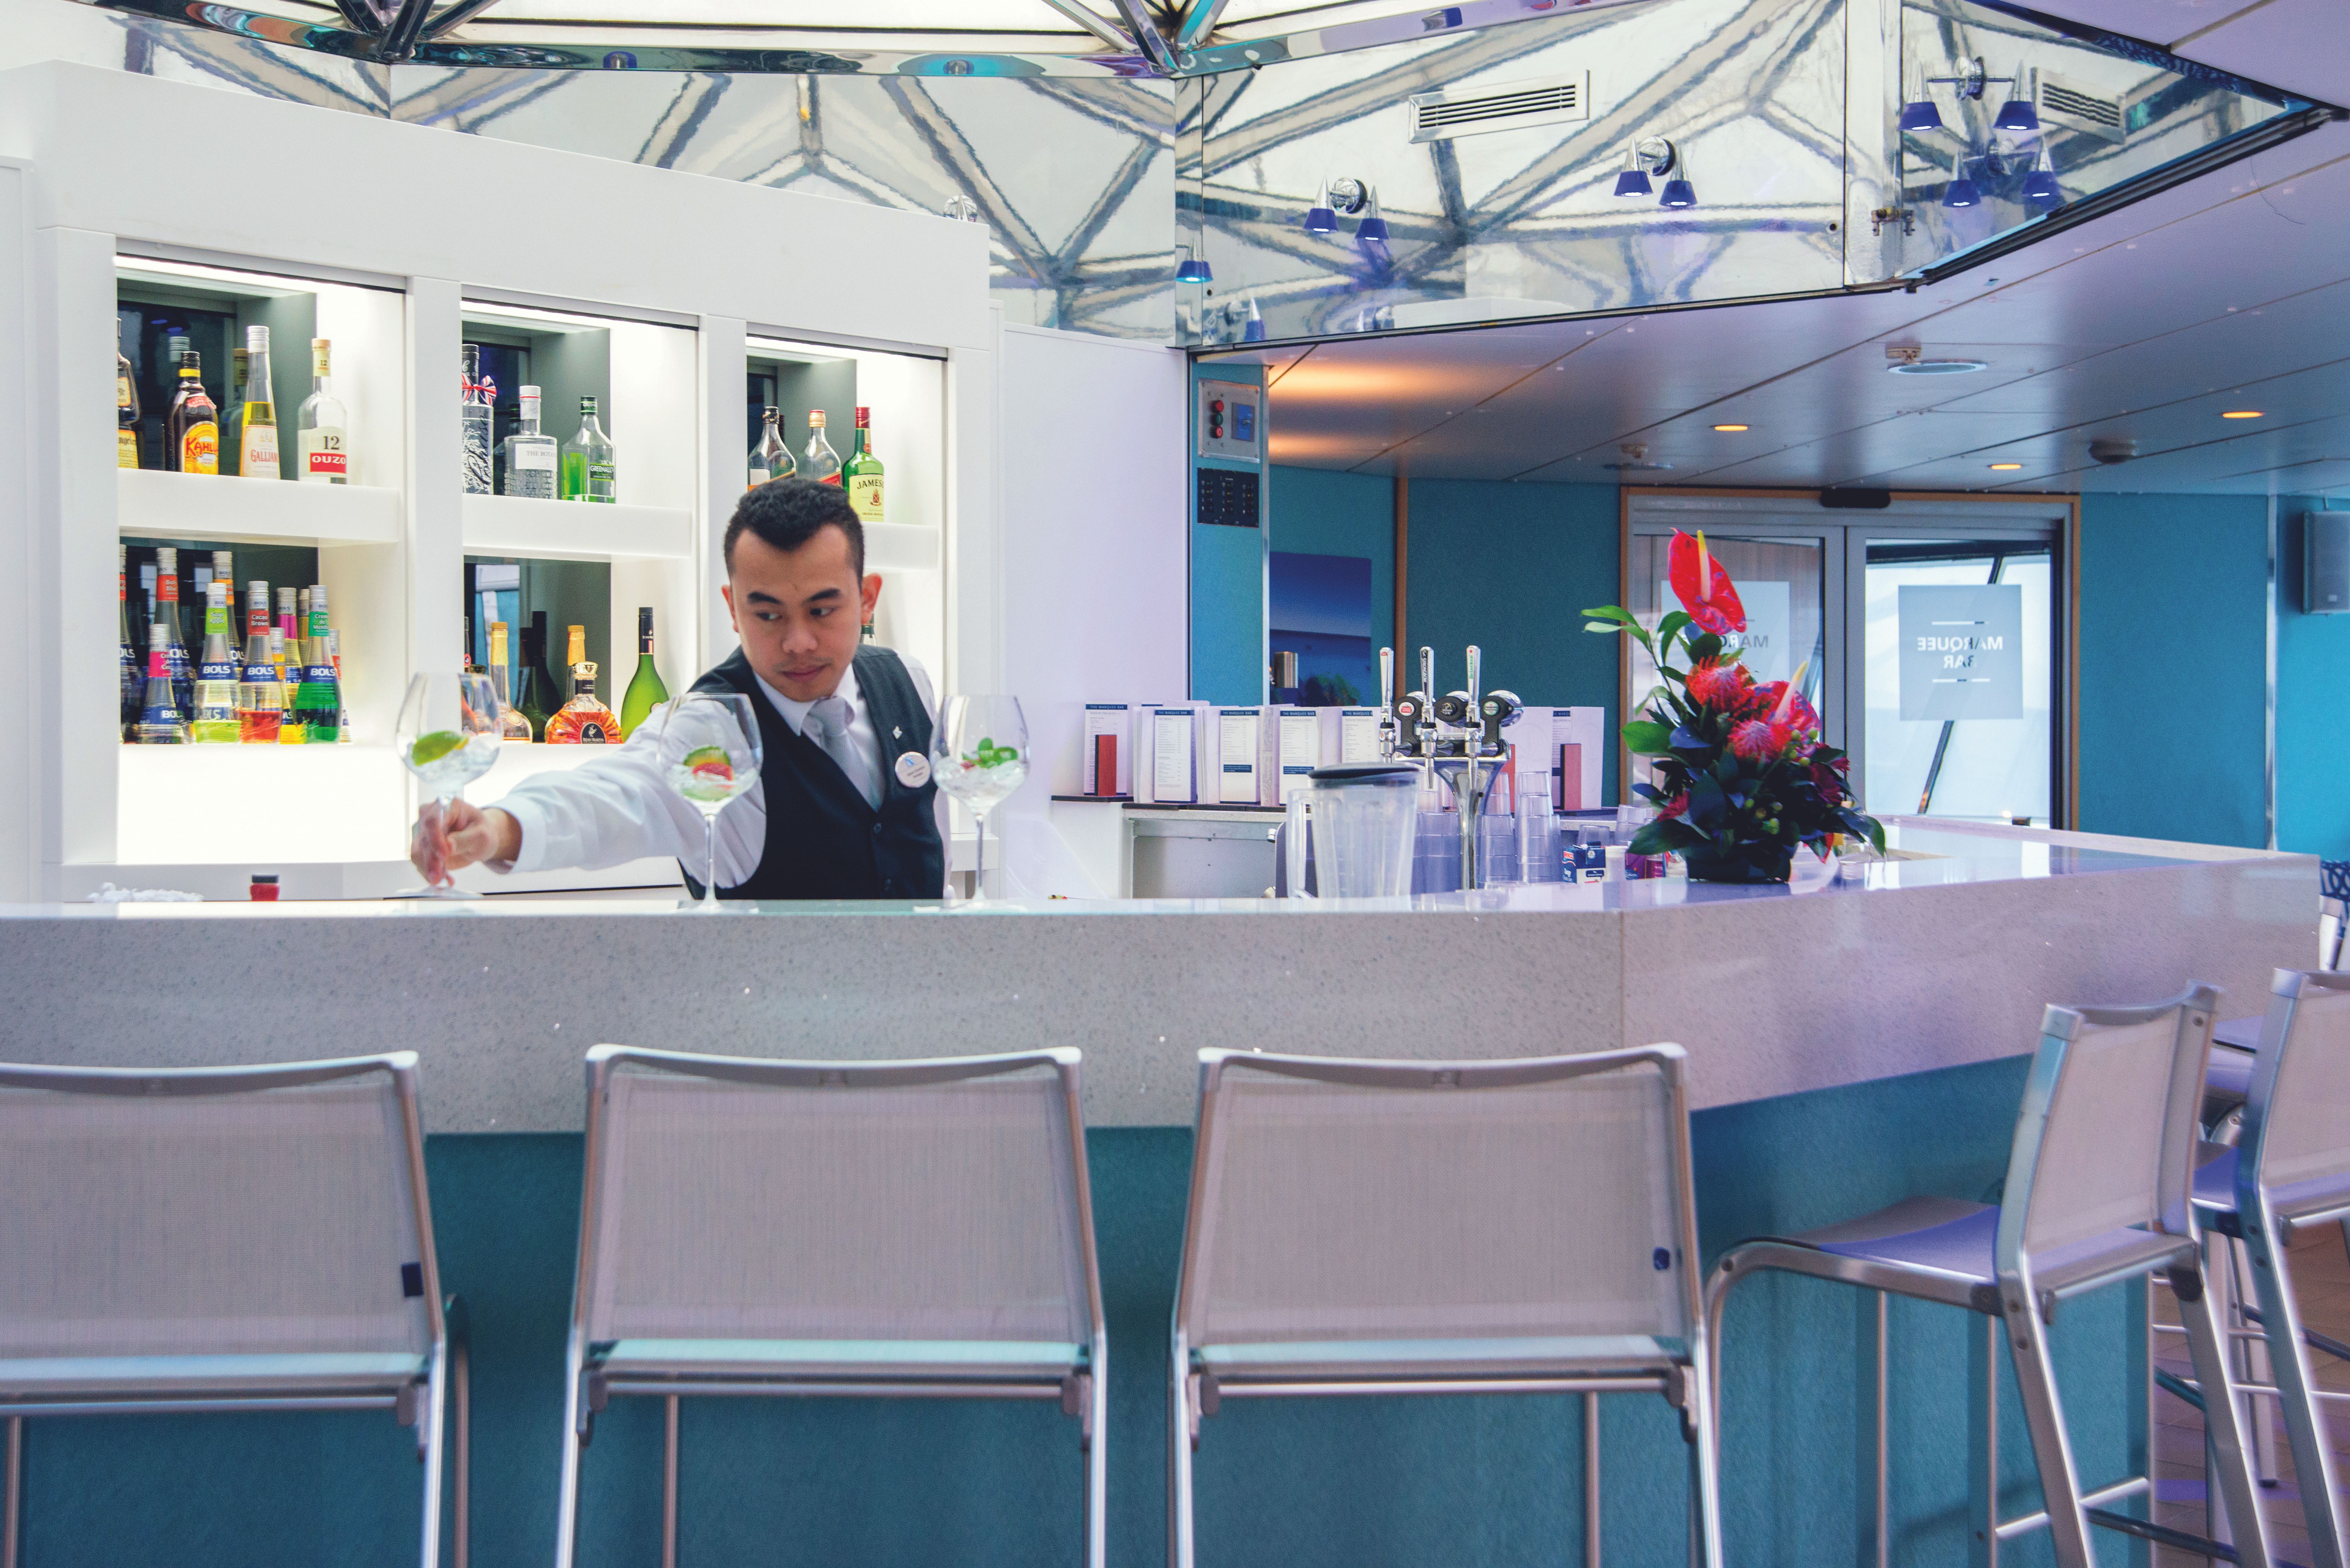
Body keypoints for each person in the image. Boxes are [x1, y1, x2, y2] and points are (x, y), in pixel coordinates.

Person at [412, 479, 946, 899]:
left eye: (823, 610)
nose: (798, 642)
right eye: (767, 614)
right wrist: (498, 827)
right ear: (733, 608)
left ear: (868, 598)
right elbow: (610, 795)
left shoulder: (908, 682)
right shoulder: (710, 725)